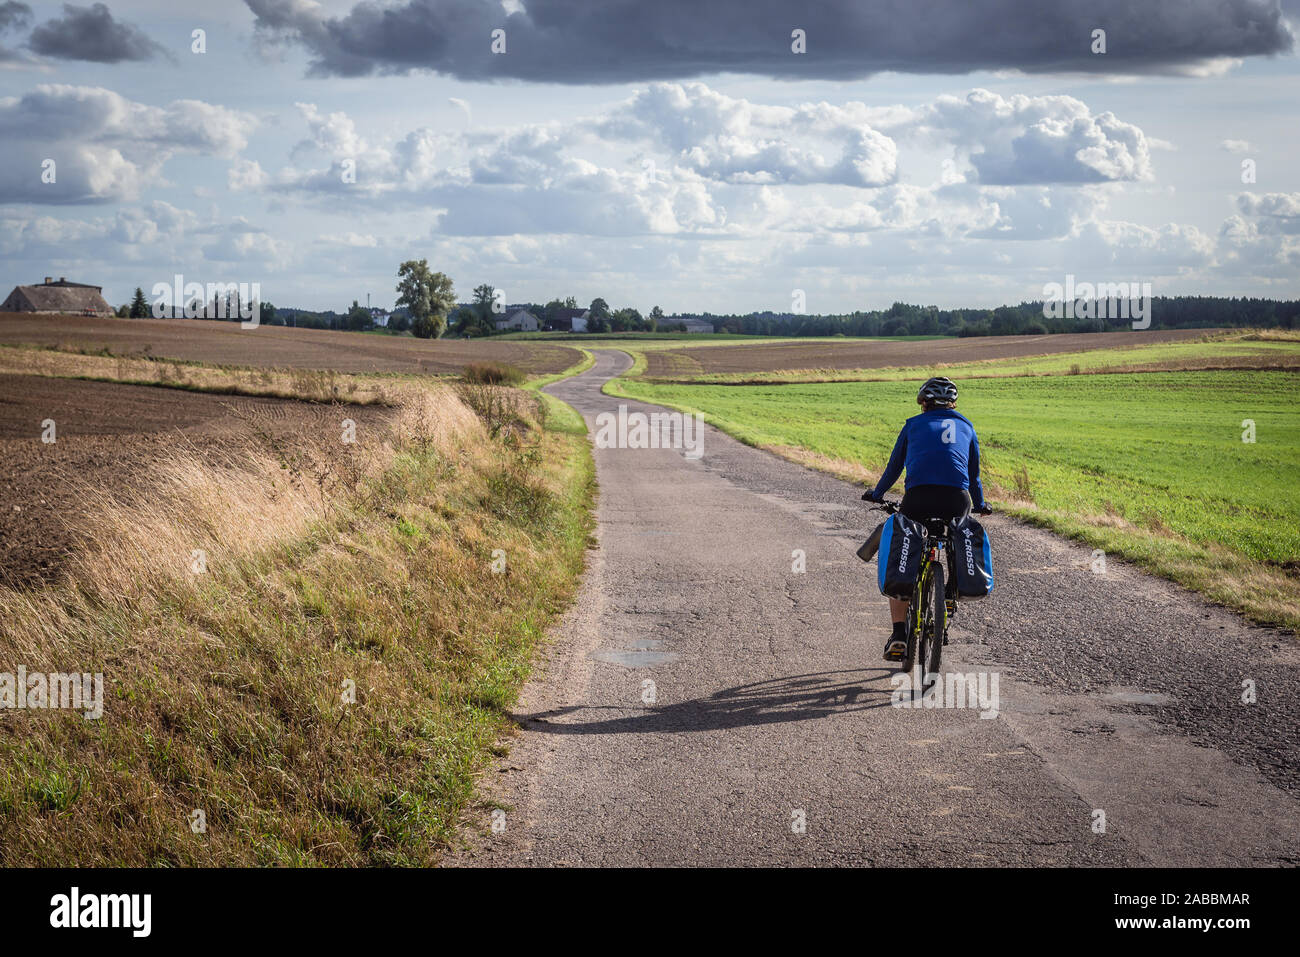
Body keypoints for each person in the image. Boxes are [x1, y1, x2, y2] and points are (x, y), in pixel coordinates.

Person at [863, 376, 993, 662]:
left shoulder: (913, 425)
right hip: (957, 500)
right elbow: (973, 477)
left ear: (923, 403)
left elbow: (894, 466)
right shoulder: (967, 426)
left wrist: (877, 493)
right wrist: (981, 504)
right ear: (953, 403)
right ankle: (949, 592)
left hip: (918, 499)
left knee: (903, 551)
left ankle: (898, 634)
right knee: (954, 537)